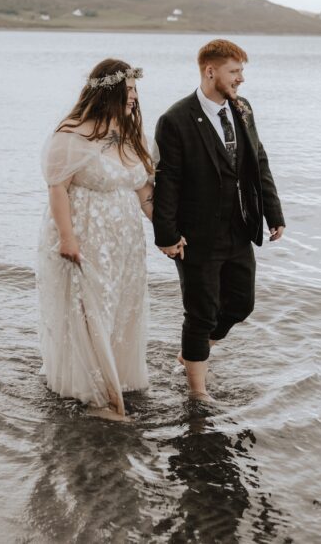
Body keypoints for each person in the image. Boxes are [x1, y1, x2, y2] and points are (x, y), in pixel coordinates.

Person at [152, 39, 285, 402]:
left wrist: (273, 213)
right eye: (234, 71)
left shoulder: (243, 109)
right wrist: (166, 235)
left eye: (242, 72)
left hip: (239, 227)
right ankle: (198, 391)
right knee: (200, 312)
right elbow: (167, 181)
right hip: (195, 235)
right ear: (211, 72)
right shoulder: (175, 119)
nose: (240, 79)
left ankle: (193, 351)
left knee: (242, 304)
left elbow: (259, 162)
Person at [37, 58, 154, 421]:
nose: (134, 99)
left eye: (135, 92)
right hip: (87, 236)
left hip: (126, 242)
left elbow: (144, 193)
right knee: (92, 309)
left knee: (123, 307)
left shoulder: (131, 138)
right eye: (129, 92)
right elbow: (58, 189)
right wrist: (67, 239)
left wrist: (169, 231)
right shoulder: (71, 135)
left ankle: (119, 378)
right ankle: (100, 397)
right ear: (109, 94)